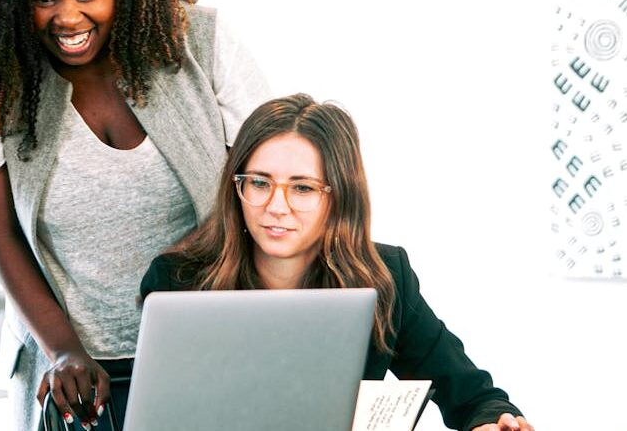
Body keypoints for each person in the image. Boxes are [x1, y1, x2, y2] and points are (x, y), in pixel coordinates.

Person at [0, 0, 269, 431]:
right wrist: (64, 350)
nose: (67, 17)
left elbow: (267, 186)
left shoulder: (202, 44)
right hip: (73, 369)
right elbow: (1, 234)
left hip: (207, 341)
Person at [140, 94, 534, 431]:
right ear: (236, 188)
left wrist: (493, 419)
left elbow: (471, 395)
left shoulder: (384, 276)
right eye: (259, 183)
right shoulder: (178, 281)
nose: (277, 207)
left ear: (339, 196)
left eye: (302, 188)